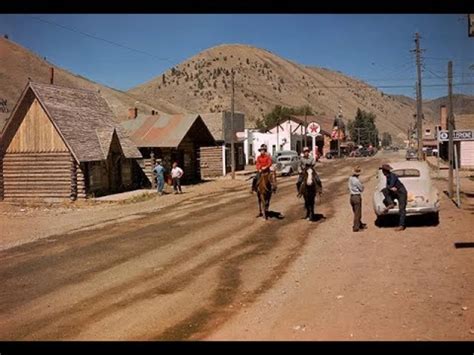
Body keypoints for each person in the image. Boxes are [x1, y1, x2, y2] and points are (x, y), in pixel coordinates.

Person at [380, 163, 407, 231]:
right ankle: (391, 203)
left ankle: (401, 225)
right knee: (384, 190)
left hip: (401, 192)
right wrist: (390, 188)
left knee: (402, 209)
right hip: (395, 191)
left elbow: (391, 185)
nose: (382, 172)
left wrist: (390, 188)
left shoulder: (392, 176)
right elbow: (388, 186)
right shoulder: (387, 176)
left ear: (385, 171)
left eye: (383, 171)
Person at [348, 166, 367, 232]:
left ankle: (360, 224)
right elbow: (361, 188)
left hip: (351, 197)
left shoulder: (350, 178)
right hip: (356, 196)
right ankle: (356, 227)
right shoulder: (357, 181)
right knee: (358, 213)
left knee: (355, 212)